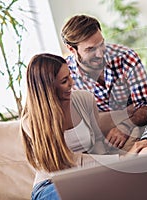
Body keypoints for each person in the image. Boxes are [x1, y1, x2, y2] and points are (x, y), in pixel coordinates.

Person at [21, 53, 129, 200]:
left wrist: (126, 162)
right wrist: (121, 159)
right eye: (65, 80)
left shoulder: (85, 99)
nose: (72, 83)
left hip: (85, 177)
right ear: (48, 87)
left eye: (70, 76)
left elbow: (97, 144)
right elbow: (66, 161)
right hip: (50, 184)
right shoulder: (31, 121)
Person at [61, 14, 147, 150]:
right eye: (90, 49)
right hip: (96, 138)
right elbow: (81, 122)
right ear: (71, 49)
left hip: (135, 127)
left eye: (101, 44)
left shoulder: (126, 58)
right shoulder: (66, 74)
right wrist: (125, 112)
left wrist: (125, 125)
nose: (100, 54)